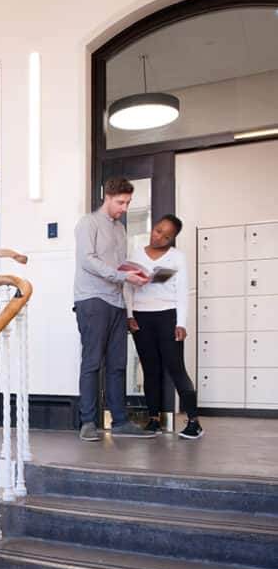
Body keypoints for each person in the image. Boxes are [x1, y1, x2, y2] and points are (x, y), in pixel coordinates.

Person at [74, 177, 153, 441]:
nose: (124, 207)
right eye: (120, 202)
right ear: (107, 197)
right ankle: (87, 423)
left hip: (117, 301)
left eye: (128, 202)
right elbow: (88, 261)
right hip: (92, 299)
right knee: (92, 363)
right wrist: (123, 277)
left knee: (118, 364)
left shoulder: (120, 229)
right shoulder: (88, 223)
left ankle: (119, 421)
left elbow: (119, 266)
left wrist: (136, 273)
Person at [126, 214, 203, 440]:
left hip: (168, 316)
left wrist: (181, 323)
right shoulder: (136, 254)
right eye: (158, 230)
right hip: (142, 317)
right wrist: (130, 315)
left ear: (172, 239)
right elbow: (127, 287)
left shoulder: (177, 257)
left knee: (176, 368)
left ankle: (194, 422)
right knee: (150, 370)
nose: (159, 237)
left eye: (166, 236)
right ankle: (153, 420)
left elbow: (182, 292)